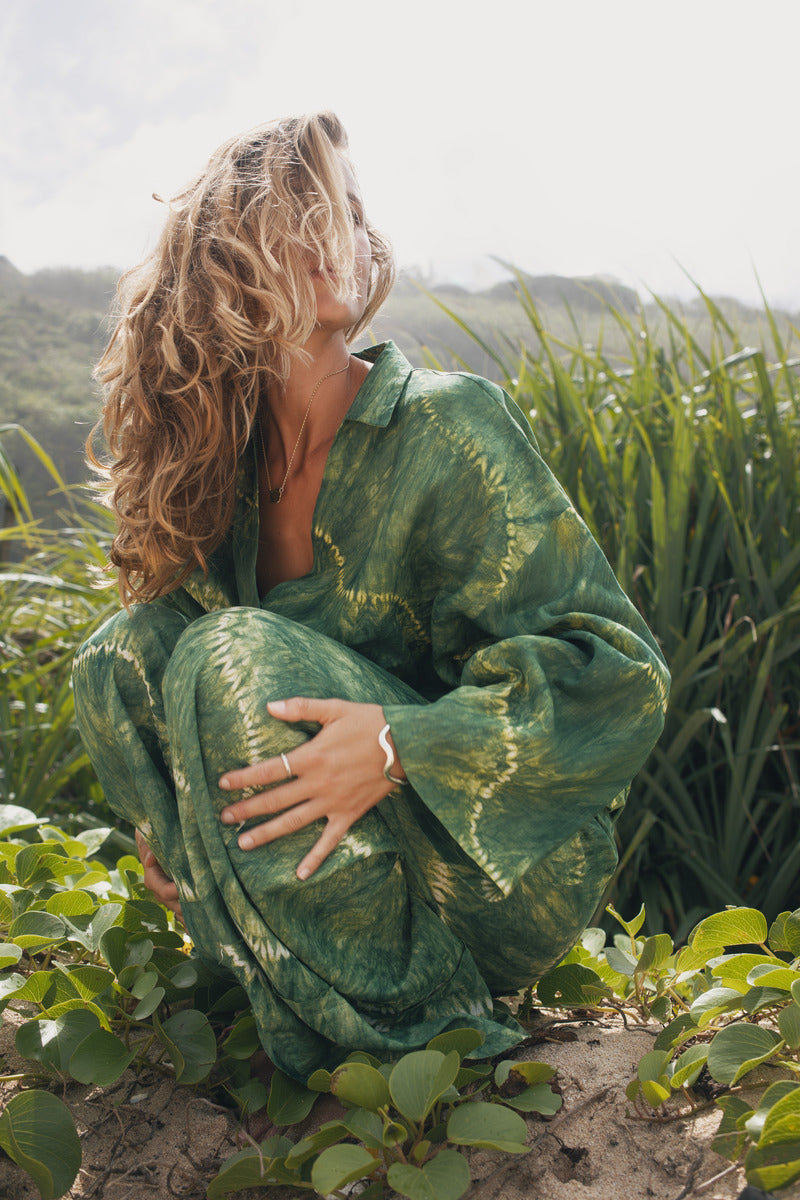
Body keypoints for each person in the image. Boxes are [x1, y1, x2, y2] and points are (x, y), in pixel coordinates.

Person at [72, 112, 670, 1084]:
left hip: (494, 870)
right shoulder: (223, 474)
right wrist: (173, 819)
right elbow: (156, 678)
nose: (332, 234)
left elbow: (617, 674)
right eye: (298, 211)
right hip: (334, 869)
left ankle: (416, 1035)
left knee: (231, 653)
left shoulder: (445, 426)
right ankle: (270, 970)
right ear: (226, 257)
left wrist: (399, 744)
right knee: (120, 657)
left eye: (344, 211)